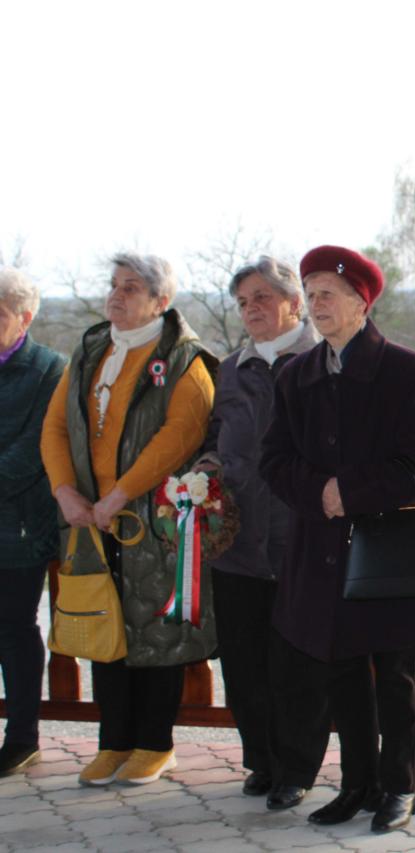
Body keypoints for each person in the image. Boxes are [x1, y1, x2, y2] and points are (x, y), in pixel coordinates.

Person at [259, 245, 415, 832]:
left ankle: (400, 787)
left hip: (390, 552)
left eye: (329, 294)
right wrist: (320, 492)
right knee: (341, 675)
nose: (316, 304)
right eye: (311, 293)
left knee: (396, 678)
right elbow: (274, 459)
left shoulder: (405, 370)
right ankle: (357, 784)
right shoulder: (296, 376)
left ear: (361, 303)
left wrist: (349, 492)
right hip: (323, 552)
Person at [40, 253, 217, 786]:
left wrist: (119, 495)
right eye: (114, 285)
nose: (116, 295)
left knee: (156, 631)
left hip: (153, 520)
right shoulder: (92, 349)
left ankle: (155, 745)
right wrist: (65, 492)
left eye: (132, 287)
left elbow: (180, 436)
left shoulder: (184, 359)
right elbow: (55, 426)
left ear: (161, 301)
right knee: (105, 625)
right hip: (91, 518)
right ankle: (113, 742)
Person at [196, 256, 319, 798]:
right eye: (244, 302)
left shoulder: (322, 362)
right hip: (238, 542)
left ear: (293, 302)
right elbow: (214, 437)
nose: (251, 309)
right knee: (244, 663)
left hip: (300, 540)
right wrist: (205, 470)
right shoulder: (229, 370)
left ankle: (297, 770)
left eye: (262, 297)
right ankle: (261, 761)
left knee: (296, 664)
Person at [0, 268, 66, 777]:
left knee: (13, 629)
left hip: (19, 528)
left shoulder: (50, 369)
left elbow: (35, 450)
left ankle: (22, 739)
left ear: (24, 317)